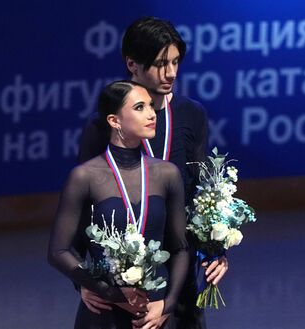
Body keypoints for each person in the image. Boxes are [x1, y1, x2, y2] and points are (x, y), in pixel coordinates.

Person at [78, 16, 228, 329]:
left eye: (175, 62)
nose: (171, 73)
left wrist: (216, 251)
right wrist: (81, 280)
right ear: (132, 64)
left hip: (178, 274)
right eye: (161, 63)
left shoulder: (192, 115)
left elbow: (203, 192)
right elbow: (83, 210)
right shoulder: (101, 127)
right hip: (120, 281)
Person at [48, 80, 189, 329]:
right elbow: (58, 252)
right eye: (139, 107)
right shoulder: (85, 176)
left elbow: (180, 249)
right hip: (104, 311)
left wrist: (167, 306)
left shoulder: (167, 174)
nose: (150, 113)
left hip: (154, 316)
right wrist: (104, 291)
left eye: (150, 106)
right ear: (114, 121)